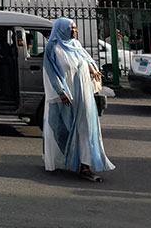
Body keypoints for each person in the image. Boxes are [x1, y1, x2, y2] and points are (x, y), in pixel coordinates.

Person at [43, 17, 115, 182]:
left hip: (84, 95)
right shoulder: (53, 48)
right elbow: (51, 72)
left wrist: (93, 70)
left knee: (86, 129)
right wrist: (61, 92)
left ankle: (85, 166)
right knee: (62, 128)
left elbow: (86, 60)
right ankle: (71, 160)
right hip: (67, 96)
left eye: (75, 27)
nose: (75, 31)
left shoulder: (76, 45)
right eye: (72, 28)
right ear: (62, 29)